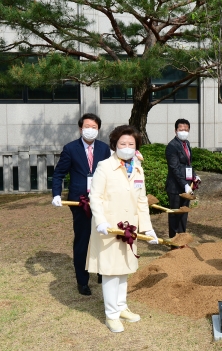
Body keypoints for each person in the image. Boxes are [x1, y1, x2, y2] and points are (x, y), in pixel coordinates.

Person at [87, 125, 159, 333]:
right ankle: (111, 315)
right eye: (122, 144)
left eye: (131, 144)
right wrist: (100, 221)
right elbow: (96, 197)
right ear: (115, 145)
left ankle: (121, 307)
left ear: (136, 147)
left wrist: (148, 229)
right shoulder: (104, 166)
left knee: (125, 269)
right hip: (109, 229)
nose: (127, 147)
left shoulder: (137, 169)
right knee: (111, 271)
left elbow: (141, 201)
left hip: (130, 227)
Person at [51, 113, 111, 296]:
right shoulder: (70, 149)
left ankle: (102, 272)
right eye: (87, 126)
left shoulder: (104, 149)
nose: (90, 130)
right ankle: (82, 281)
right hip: (80, 202)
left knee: (103, 237)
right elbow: (59, 173)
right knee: (83, 240)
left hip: (102, 201)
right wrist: (56, 194)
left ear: (98, 129)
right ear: (80, 128)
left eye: (94, 127)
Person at [165, 119, 200, 247]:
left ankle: (182, 240)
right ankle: (174, 242)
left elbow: (187, 164)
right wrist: (184, 184)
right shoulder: (172, 146)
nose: (183, 132)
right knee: (175, 214)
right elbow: (174, 168)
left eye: (186, 129)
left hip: (186, 185)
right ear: (175, 130)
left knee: (184, 213)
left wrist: (194, 176)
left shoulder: (187, 144)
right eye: (181, 129)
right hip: (175, 186)